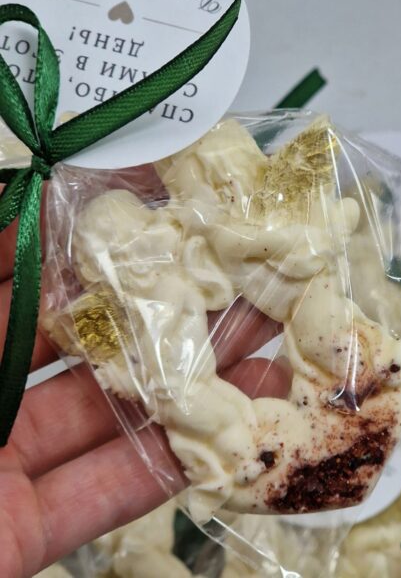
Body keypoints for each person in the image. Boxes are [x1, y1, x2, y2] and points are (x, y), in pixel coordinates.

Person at [0, 214, 292, 578]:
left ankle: (237, 464)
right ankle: (220, 473)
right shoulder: (133, 301)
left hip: (182, 382)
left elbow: (154, 339)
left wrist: (123, 347)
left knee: (208, 417)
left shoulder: (169, 285)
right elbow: (124, 343)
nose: (100, 274)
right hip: (169, 386)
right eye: (93, 266)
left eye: (104, 260)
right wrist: (101, 344)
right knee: (199, 426)